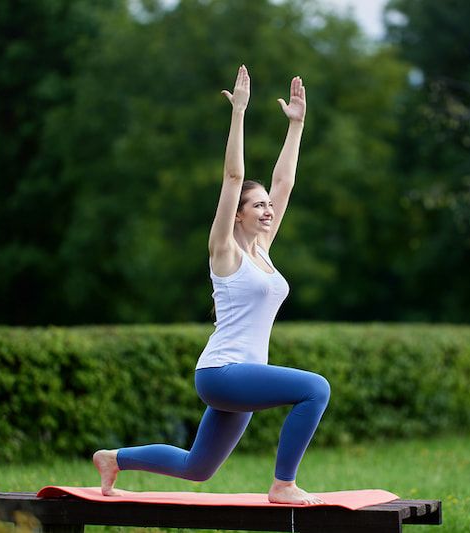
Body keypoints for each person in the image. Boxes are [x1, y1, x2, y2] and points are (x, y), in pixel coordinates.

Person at [93, 65, 330, 505]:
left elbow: (285, 181)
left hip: (236, 376)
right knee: (315, 388)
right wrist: (238, 112)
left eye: (268, 207)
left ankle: (114, 458)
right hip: (223, 373)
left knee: (196, 468)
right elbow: (233, 179)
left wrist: (296, 126)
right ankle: (283, 485)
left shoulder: (263, 250)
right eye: (258, 206)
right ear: (237, 214)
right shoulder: (225, 251)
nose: (268, 210)